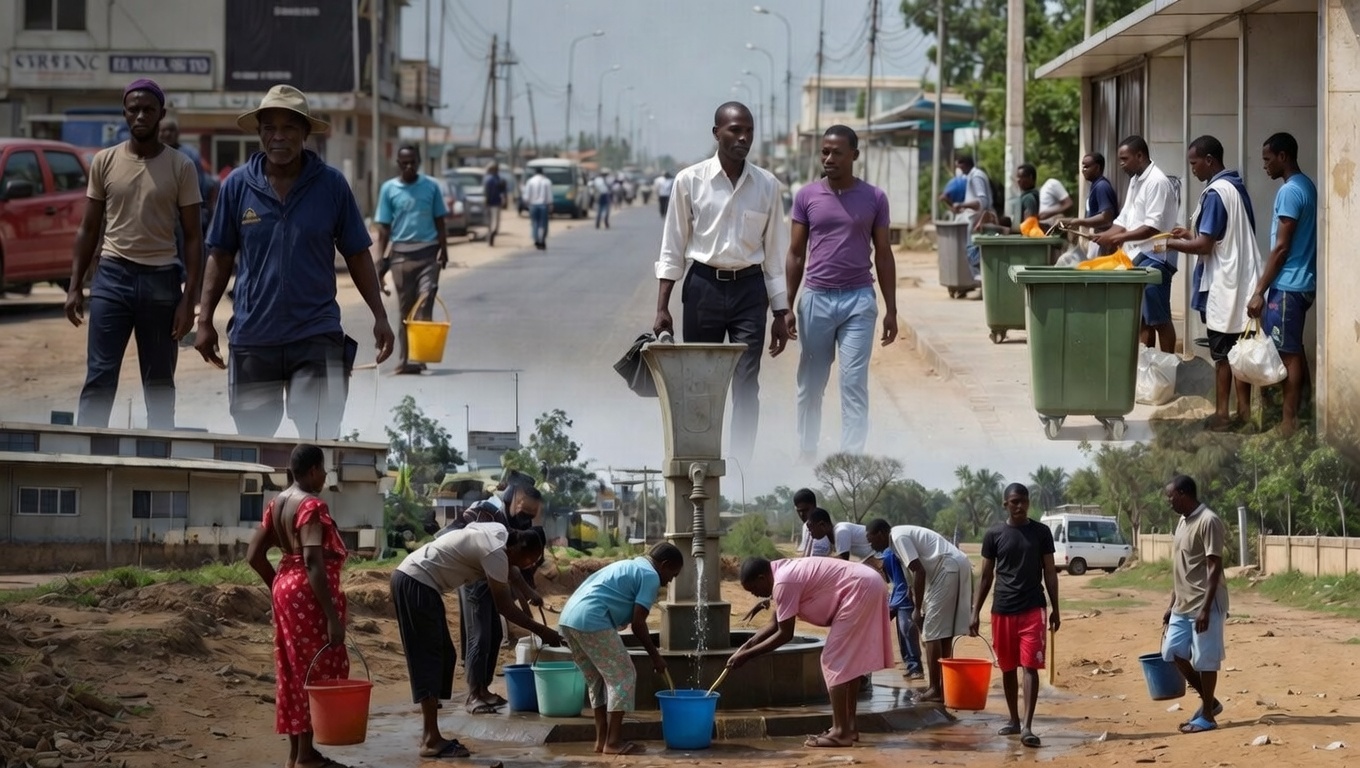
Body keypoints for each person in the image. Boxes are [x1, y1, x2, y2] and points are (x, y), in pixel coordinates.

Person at [197, 85, 394, 438]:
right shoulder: (237, 186)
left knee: (320, 444)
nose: (279, 137)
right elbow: (220, 254)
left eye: (289, 127)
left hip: (316, 336)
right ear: (259, 134)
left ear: (305, 133)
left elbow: (357, 253)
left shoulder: (331, 185)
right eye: (269, 128)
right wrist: (205, 319)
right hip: (253, 337)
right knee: (254, 449)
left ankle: (313, 497)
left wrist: (380, 315)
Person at [654, 102, 790, 464]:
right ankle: (701, 457)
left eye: (748, 130)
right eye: (734, 130)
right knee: (700, 383)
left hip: (749, 292)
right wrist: (662, 307)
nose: (743, 137)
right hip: (702, 289)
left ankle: (742, 464)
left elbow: (775, 253)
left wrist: (781, 311)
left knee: (747, 385)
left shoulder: (767, 185)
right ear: (717, 133)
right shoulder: (690, 180)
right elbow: (673, 247)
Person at [65, 78, 202, 430]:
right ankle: (88, 456)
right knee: (99, 376)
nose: (140, 116)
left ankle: (160, 462)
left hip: (161, 283)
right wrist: (74, 285)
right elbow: (88, 228)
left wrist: (189, 300)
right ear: (124, 113)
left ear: (161, 114)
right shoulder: (104, 162)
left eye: (148, 110)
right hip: (112, 278)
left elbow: (193, 237)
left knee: (158, 384)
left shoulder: (181, 167)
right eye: (133, 109)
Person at [391, 523, 562, 759]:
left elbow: (511, 570)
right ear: (520, 550)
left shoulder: (500, 535)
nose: (529, 566)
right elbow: (505, 607)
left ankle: (431, 732)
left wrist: (528, 593)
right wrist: (543, 631)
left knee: (446, 656)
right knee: (430, 659)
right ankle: (430, 739)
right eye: (530, 561)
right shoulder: (495, 553)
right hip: (416, 581)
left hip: (420, 581)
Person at [786, 125, 899, 461]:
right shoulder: (806, 196)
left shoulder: (874, 198)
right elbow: (795, 254)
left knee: (853, 385)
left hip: (858, 301)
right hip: (816, 299)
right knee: (810, 385)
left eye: (837, 152)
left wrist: (891, 309)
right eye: (824, 152)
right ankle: (807, 451)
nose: (829, 158)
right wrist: (787, 306)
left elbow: (883, 252)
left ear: (854, 155)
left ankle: (851, 461)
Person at [245, 443, 351, 768]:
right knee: (316, 668)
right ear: (313, 470)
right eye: (323, 469)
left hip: (286, 588)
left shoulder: (276, 504)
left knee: (292, 670)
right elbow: (313, 561)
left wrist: (281, 586)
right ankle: (305, 754)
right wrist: (332, 618)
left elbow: (253, 556)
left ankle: (296, 753)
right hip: (308, 591)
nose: (325, 476)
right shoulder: (312, 506)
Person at [729, 556, 893, 748]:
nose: (755, 596)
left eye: (754, 589)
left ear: (762, 578)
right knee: (849, 662)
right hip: (868, 583)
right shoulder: (781, 573)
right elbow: (775, 623)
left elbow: (785, 633)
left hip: (860, 588)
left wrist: (747, 656)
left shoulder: (783, 581)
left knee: (833, 659)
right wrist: (746, 646)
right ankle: (849, 726)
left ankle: (840, 733)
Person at [1166, 135, 1262, 432]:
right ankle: (1244, 415)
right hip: (1243, 280)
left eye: (1194, 163)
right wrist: (1189, 234)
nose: (1192, 169)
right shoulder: (1235, 187)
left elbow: (1206, 245)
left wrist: (1169, 243)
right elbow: (1223, 234)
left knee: (1222, 357)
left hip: (1225, 285)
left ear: (1209, 160)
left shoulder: (1216, 193)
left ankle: (1222, 415)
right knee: (1240, 353)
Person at [559, 542, 684, 756]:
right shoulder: (650, 575)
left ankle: (601, 741)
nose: (670, 581)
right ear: (664, 565)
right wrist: (656, 657)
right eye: (672, 574)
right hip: (592, 619)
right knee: (623, 675)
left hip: (568, 619)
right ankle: (614, 741)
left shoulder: (631, 565)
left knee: (596, 679)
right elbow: (638, 624)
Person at [969, 484, 1060, 748]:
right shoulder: (994, 535)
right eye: (1014, 502)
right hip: (1003, 610)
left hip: (1033, 608)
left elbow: (1050, 572)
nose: (1020, 506)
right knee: (1008, 667)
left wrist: (1055, 608)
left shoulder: (1041, 532)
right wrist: (975, 612)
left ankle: (1028, 726)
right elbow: (985, 577)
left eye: (1024, 501)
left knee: (1030, 666)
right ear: (1005, 504)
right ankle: (1013, 720)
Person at [444, 487, 546, 713]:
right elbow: (507, 594)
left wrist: (529, 596)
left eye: (532, 513)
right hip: (470, 573)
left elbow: (512, 568)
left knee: (496, 634)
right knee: (479, 635)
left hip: (487, 572)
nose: (527, 517)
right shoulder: (488, 512)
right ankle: (473, 695)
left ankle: (484, 689)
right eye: (526, 510)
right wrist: (538, 628)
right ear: (516, 500)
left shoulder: (510, 527)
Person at [1250, 132, 1317, 436]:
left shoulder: (1290, 191)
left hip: (1289, 284)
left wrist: (1259, 291)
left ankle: (1288, 422)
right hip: (1298, 283)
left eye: (1267, 159)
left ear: (1283, 157)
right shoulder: (1306, 186)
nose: (1264, 166)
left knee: (1286, 355)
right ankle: (1305, 408)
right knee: (1294, 349)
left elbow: (1281, 248)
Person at [1093, 136, 1182, 353]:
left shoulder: (1157, 182)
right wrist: (1104, 236)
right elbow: (1123, 220)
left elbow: (1152, 228)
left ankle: (1166, 368)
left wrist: (1117, 238)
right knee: (1142, 319)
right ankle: (1147, 365)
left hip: (1157, 257)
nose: (1121, 164)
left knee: (1159, 319)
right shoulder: (1135, 180)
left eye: (1124, 159)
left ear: (1140, 156)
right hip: (1138, 255)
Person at [869, 524, 973, 703]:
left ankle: (935, 689)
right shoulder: (896, 541)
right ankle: (943, 686)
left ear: (881, 533)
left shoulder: (897, 537)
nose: (871, 545)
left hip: (946, 567)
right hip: (954, 565)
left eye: (871, 539)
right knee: (944, 633)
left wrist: (917, 609)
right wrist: (915, 596)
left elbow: (919, 570)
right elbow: (913, 572)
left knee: (931, 632)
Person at [1161, 475, 1229, 734]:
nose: (1169, 502)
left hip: (1206, 604)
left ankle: (1209, 717)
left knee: (1205, 660)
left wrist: (1205, 608)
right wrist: (1171, 603)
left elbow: (1214, 568)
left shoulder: (1208, 521)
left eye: (1171, 496)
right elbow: (1182, 567)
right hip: (1182, 603)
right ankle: (1209, 701)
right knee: (1173, 651)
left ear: (1183, 494)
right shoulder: (1182, 521)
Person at [375, 145, 448, 376]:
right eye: (404, 163)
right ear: (398, 163)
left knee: (424, 303)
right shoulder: (389, 189)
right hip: (401, 258)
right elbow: (384, 229)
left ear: (419, 162)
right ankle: (406, 359)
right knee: (406, 309)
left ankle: (420, 355)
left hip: (428, 254)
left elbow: (440, 221)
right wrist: (380, 261)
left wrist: (444, 250)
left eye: (413, 162)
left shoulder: (431, 187)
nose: (409, 167)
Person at [866, 519, 924, 680]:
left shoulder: (891, 553)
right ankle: (911, 665)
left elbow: (903, 578)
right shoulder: (888, 551)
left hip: (904, 597)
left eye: (871, 541)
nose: (871, 545)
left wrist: (898, 599)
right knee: (902, 631)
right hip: (898, 596)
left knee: (906, 630)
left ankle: (915, 667)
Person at [160, 116, 218, 259]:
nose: (167, 134)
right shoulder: (152, 154)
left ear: (178, 133)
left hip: (185, 215)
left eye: (171, 130)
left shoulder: (189, 154)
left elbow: (198, 185)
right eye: (164, 130)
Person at [1058, 152, 1120, 258]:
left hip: (1105, 239)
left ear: (1097, 167)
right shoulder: (1095, 186)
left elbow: (1106, 217)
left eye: (1087, 166)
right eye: (1083, 166)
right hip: (1097, 237)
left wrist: (1078, 221)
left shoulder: (1102, 186)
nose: (1083, 170)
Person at [952, 154, 994, 279]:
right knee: (974, 255)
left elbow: (982, 201)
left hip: (979, 221)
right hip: (976, 220)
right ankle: (980, 285)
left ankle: (982, 286)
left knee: (975, 256)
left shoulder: (976, 176)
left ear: (963, 164)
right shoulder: (972, 175)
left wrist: (961, 205)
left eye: (958, 165)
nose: (958, 168)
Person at [805, 508, 876, 561]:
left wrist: (818, 561)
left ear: (822, 525)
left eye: (811, 527)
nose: (810, 532)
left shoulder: (840, 531)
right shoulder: (833, 537)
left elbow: (843, 560)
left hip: (880, 554)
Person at [794, 488, 832, 558]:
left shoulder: (823, 525)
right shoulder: (805, 526)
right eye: (799, 511)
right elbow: (806, 553)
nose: (802, 515)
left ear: (814, 506)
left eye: (805, 510)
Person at [522, 166, 553, 250]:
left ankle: (536, 239)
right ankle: (542, 239)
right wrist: (550, 205)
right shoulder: (547, 181)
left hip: (533, 205)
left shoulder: (530, 181)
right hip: (543, 205)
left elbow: (526, 196)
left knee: (534, 223)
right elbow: (549, 196)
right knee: (543, 224)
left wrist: (526, 204)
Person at [482, 162, 508, 246]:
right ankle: (491, 236)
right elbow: (503, 191)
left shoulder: (487, 179)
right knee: (495, 224)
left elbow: (485, 192)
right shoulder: (496, 179)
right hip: (495, 203)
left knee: (490, 223)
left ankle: (490, 236)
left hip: (490, 203)